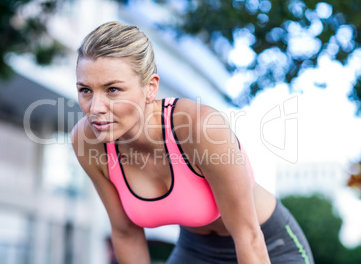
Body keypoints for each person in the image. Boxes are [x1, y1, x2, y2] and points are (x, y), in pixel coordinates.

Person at [71, 21, 314, 264]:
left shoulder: (200, 127)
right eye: (85, 90)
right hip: (195, 250)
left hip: (268, 244)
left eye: (112, 89)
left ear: (150, 88)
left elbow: (248, 237)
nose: (95, 108)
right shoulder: (88, 141)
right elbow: (126, 233)